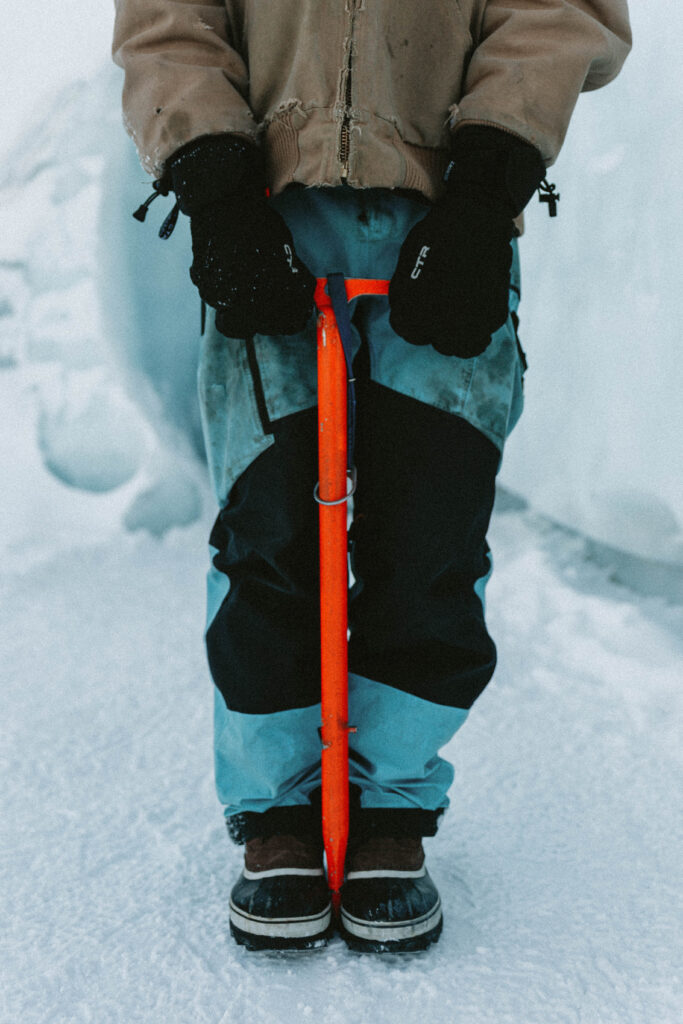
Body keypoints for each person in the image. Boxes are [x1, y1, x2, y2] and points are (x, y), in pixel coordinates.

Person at [112, 0, 631, 953]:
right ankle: (277, 812)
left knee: (430, 528)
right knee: (269, 530)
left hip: (446, 212)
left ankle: (389, 805)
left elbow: (554, 16)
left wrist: (485, 194)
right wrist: (217, 190)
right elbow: (167, 22)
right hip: (265, 209)